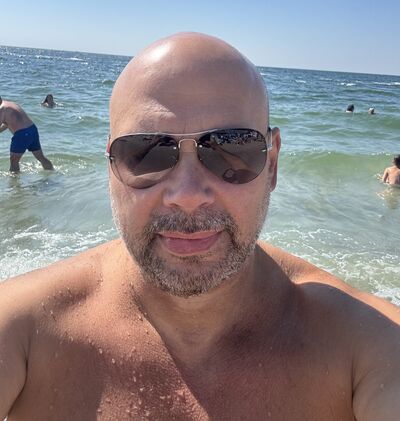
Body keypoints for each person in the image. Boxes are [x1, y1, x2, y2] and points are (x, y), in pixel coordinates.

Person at [0, 33, 399, 420]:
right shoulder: (22, 330)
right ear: (111, 165)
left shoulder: (366, 346)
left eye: (232, 147)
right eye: (145, 151)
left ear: (273, 164)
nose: (188, 195)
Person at [0, 96, 54, 172]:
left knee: (14, 160)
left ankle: (14, 179)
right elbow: (7, 123)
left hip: (22, 134)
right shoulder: (10, 104)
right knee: (40, 157)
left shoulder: (2, 108)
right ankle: (52, 172)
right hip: (32, 129)